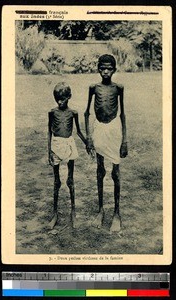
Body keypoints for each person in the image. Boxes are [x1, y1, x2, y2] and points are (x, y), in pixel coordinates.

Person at [84, 54, 128, 233]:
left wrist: (125, 140)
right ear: (98, 69)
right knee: (100, 170)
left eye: (109, 68)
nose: (105, 71)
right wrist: (88, 136)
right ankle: (100, 210)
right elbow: (87, 113)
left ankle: (116, 213)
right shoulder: (93, 88)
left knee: (115, 173)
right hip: (99, 129)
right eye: (102, 68)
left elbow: (123, 114)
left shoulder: (119, 88)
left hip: (114, 129)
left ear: (114, 70)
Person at [48, 82, 86, 229]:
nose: (59, 101)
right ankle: (55, 214)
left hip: (69, 145)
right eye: (57, 98)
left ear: (69, 97)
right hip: (56, 145)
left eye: (62, 98)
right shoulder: (52, 112)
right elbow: (49, 131)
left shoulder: (73, 113)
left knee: (70, 180)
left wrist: (87, 143)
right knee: (57, 182)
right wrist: (49, 151)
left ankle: (73, 212)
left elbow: (78, 132)